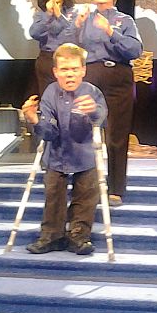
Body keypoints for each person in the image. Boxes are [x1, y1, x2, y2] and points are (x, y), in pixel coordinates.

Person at [63, 0, 142, 207]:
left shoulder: (125, 21)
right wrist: (75, 28)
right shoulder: (83, 19)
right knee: (82, 132)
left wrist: (110, 31)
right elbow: (66, 48)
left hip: (117, 77)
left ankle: (116, 188)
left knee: (117, 134)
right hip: (90, 76)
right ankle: (83, 186)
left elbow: (135, 50)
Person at [22, 43, 107, 256]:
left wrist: (93, 112)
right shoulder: (50, 93)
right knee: (53, 195)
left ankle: (78, 237)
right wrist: (34, 119)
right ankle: (51, 236)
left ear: (83, 70)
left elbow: (102, 118)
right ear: (56, 72)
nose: (70, 74)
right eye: (65, 69)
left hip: (85, 155)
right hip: (57, 154)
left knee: (86, 196)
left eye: (74, 69)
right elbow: (49, 131)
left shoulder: (92, 92)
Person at [29, 0, 77, 96]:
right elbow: (34, 33)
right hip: (47, 60)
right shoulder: (41, 15)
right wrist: (49, 14)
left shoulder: (74, 13)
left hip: (69, 59)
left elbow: (73, 34)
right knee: (48, 97)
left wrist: (59, 15)